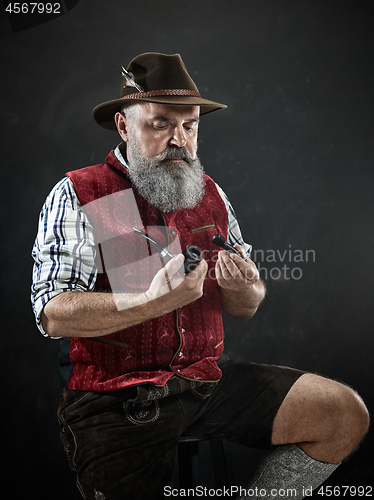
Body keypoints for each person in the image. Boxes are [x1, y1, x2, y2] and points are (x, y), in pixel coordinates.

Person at [31, 52, 369, 500]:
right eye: (160, 124)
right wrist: (151, 301)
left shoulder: (209, 193)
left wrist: (245, 287)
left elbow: (245, 306)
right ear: (124, 126)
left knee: (343, 413)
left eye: (189, 126)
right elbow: (52, 313)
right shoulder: (80, 192)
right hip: (116, 400)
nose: (179, 140)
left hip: (204, 383)